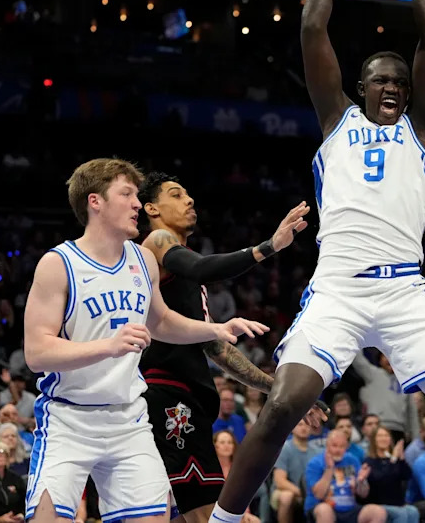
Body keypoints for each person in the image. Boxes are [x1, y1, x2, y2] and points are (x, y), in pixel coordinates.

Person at [210, 0, 425, 523]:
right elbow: (312, 27)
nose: (392, 86)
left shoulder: (420, 130)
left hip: (405, 293)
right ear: (361, 87)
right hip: (339, 288)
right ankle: (224, 519)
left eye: (400, 81)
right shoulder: (336, 119)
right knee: (281, 406)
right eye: (381, 80)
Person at [22, 158, 268, 523]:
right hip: (69, 418)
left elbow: (161, 321)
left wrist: (215, 329)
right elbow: (37, 352)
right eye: (127, 194)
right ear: (95, 202)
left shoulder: (143, 260)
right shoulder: (59, 264)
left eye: (138, 196)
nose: (137, 204)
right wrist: (109, 346)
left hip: (129, 420)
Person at [138, 171, 325, 523]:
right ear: (151, 208)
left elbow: (217, 349)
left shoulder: (184, 271)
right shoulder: (158, 242)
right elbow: (204, 267)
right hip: (168, 392)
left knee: (176, 513)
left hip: (188, 395)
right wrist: (268, 246)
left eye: (188, 194)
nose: (189, 200)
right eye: (176, 195)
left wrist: (280, 390)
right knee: (207, 512)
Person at [304, 430, 385, 523]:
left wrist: (361, 481)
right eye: (334, 446)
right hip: (322, 507)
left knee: (378, 512)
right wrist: (329, 469)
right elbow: (319, 495)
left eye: (342, 446)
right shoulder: (315, 463)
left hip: (350, 508)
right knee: (324, 511)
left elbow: (363, 494)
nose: (338, 450)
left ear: (346, 447)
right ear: (327, 445)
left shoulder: (352, 460)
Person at [362, 427, 418, 523]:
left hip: (398, 503)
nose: (383, 438)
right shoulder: (369, 461)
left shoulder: (393, 459)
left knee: (413, 511)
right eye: (380, 436)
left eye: (386, 435)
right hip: (378, 504)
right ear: (374, 440)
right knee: (400, 513)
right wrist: (393, 459)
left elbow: (407, 476)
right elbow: (382, 480)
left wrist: (401, 459)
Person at [271, 419, 318, 523]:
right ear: (292, 428)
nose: (303, 428)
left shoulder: (317, 451)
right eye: (300, 424)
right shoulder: (285, 449)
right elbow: (280, 482)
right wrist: (302, 493)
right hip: (287, 491)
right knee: (286, 496)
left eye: (307, 425)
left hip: (310, 491)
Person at [213, 432, 260, 523]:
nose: (226, 445)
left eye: (230, 442)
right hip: (215, 511)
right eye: (222, 442)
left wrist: (245, 514)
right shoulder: (211, 469)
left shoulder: (239, 469)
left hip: (238, 512)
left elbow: (243, 495)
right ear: (215, 446)